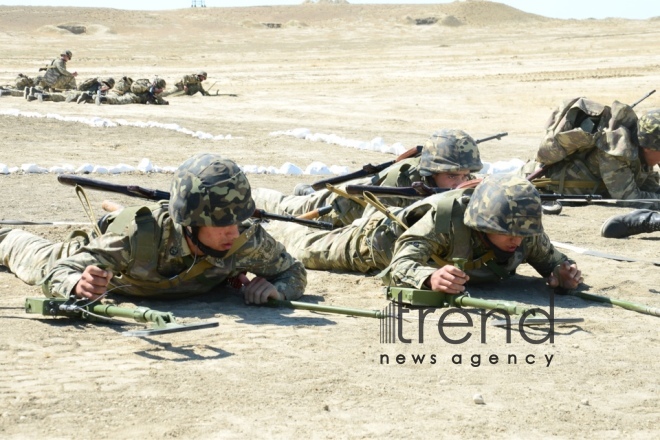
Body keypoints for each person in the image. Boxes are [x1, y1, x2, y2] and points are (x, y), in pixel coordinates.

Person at [0, 154, 307, 304]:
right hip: (101, 252)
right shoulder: (137, 238)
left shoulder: (245, 238)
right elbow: (59, 271)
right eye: (221, 223)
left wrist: (274, 290)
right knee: (26, 254)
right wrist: (77, 285)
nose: (233, 232)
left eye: (237, 220)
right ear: (191, 221)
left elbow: (293, 272)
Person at [264, 174, 582, 293]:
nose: (517, 240)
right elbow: (399, 266)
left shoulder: (525, 231)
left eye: (523, 233)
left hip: (402, 234)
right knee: (289, 236)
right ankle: (260, 202)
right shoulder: (447, 220)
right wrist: (429, 278)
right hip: (373, 243)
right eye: (507, 231)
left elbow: (552, 261)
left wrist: (562, 273)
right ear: (485, 224)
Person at [253, 128, 483, 227]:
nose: (461, 183)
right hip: (344, 207)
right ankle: (255, 193)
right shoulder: (400, 181)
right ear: (430, 173)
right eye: (453, 176)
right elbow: (379, 223)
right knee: (286, 206)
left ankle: (307, 192)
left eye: (466, 175)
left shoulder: (459, 180)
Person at [527, 101, 660, 203]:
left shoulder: (641, 151)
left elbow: (647, 186)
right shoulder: (616, 153)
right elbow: (629, 199)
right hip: (539, 183)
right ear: (648, 147)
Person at [26, 77, 115, 103]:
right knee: (60, 97)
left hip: (75, 91)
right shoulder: (99, 86)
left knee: (60, 96)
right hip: (78, 93)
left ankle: (34, 94)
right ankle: (40, 94)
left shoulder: (95, 83)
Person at [99, 78, 168, 105]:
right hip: (133, 96)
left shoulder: (155, 93)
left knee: (118, 100)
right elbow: (133, 87)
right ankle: (102, 98)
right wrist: (147, 88)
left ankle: (102, 98)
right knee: (119, 100)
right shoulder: (145, 83)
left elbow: (161, 101)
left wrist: (158, 96)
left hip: (136, 98)